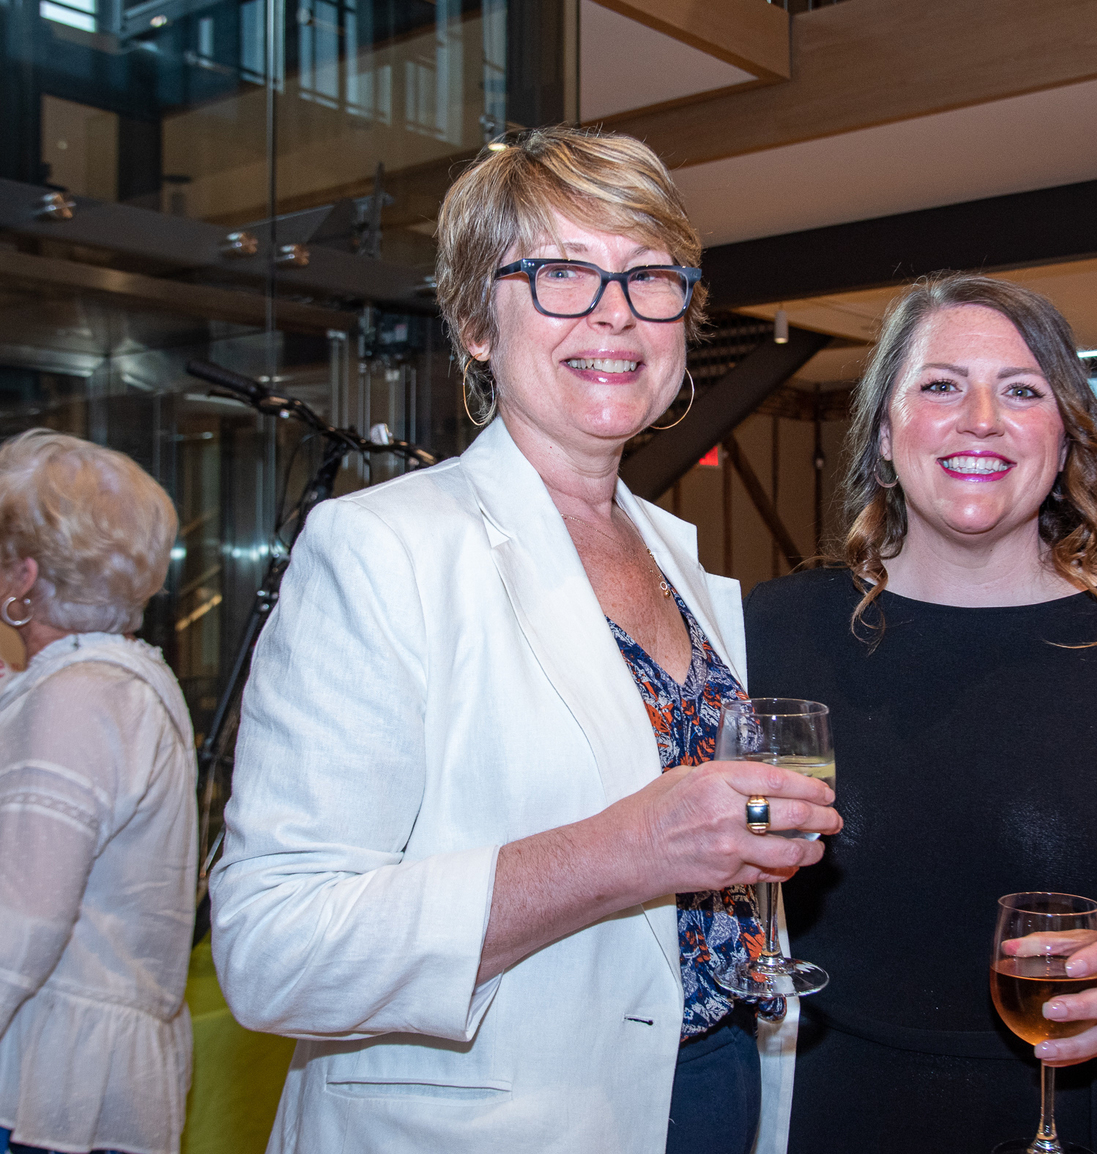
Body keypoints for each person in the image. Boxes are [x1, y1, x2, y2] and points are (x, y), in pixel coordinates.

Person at [210, 126, 840, 1154]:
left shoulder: (690, 566)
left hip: (718, 1084)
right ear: (474, 322)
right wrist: (623, 850)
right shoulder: (382, 548)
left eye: (648, 275)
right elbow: (274, 947)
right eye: (560, 273)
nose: (615, 312)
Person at [744, 273, 1097, 1153]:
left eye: (1021, 390)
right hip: (842, 1110)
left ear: (1065, 436)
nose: (981, 418)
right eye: (939, 385)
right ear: (885, 438)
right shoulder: (768, 635)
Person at [0, 430, 193, 1154]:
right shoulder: (116, 683)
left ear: (23, 577)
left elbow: (20, 924)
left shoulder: (75, 702)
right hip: (89, 1082)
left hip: (49, 1098)